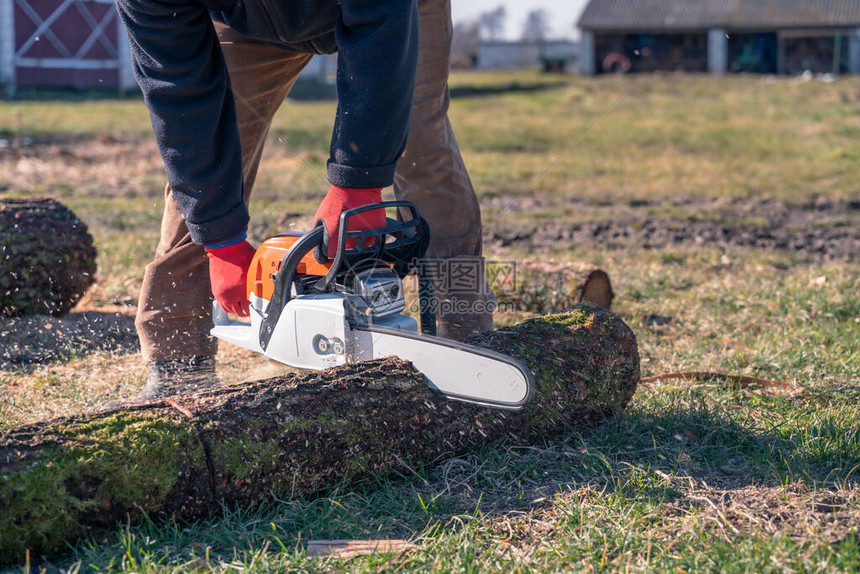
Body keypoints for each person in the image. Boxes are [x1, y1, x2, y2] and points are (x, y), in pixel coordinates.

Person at [121, 0, 495, 399]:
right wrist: (219, 239)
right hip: (247, 23)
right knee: (205, 168)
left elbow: (380, 15)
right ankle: (178, 364)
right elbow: (179, 95)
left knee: (423, 147)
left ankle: (467, 337)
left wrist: (358, 181)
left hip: (397, 10)